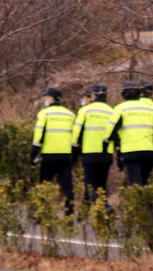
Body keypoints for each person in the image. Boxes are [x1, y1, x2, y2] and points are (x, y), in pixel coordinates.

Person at [31, 86, 76, 215]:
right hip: (65, 155)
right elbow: (74, 136)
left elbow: (38, 135)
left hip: (49, 155)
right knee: (67, 185)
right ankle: (69, 211)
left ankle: (42, 212)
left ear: (51, 98)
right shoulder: (70, 114)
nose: (45, 99)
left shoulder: (44, 113)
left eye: (46, 96)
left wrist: (33, 153)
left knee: (44, 184)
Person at [105, 81, 153, 186]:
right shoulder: (149, 108)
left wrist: (106, 142)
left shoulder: (120, 108)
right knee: (145, 183)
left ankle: (138, 202)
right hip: (149, 151)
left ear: (124, 94)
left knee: (136, 184)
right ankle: (147, 202)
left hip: (130, 152)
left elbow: (111, 129)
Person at [71, 82, 115, 211]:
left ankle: (105, 207)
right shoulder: (112, 111)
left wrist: (74, 152)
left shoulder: (85, 110)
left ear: (94, 95)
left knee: (90, 187)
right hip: (107, 154)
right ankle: (86, 216)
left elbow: (76, 132)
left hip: (90, 153)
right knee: (101, 186)